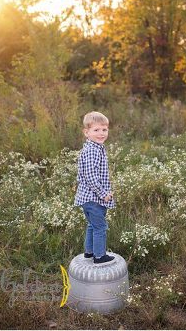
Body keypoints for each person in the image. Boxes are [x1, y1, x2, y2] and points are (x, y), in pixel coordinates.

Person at [74, 111, 115, 264]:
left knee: (92, 225)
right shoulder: (92, 150)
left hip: (88, 198)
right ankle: (99, 256)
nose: (101, 133)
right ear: (87, 132)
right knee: (100, 227)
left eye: (104, 130)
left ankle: (89, 252)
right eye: (96, 130)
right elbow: (91, 177)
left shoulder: (96, 148)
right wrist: (103, 194)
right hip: (93, 198)